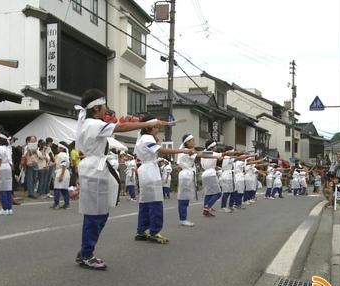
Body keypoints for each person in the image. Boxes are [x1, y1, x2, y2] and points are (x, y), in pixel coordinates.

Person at [73, 89, 168, 270]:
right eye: (105, 106)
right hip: (94, 170)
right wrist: (146, 123)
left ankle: (86, 250)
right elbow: (121, 127)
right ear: (97, 108)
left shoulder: (90, 123)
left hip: (95, 169)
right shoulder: (93, 123)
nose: (107, 109)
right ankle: (86, 254)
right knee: (95, 215)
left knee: (99, 214)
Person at [134, 115, 193, 244]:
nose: (158, 128)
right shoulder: (147, 137)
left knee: (145, 202)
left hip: (145, 170)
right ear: (149, 127)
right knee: (155, 202)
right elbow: (161, 150)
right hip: (150, 171)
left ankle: (141, 231)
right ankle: (154, 232)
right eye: (156, 126)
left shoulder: (141, 137)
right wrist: (183, 150)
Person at [200, 140, 227, 217]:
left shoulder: (204, 152)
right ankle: (207, 207)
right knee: (218, 193)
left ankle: (206, 210)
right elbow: (224, 154)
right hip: (211, 174)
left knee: (208, 193)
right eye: (215, 146)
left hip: (205, 174)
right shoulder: (213, 153)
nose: (216, 148)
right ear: (211, 147)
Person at [0, 134, 14, 215]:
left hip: (1, 168)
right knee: (8, 189)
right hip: (8, 167)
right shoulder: (8, 148)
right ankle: (9, 209)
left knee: (2, 189)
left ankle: (4, 209)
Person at [51, 143, 70, 209]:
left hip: (62, 171)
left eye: (59, 147)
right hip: (64, 172)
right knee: (64, 189)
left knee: (57, 189)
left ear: (62, 148)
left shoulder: (62, 155)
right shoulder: (64, 155)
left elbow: (63, 165)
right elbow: (57, 163)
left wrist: (61, 175)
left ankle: (56, 204)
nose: (57, 148)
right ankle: (66, 204)